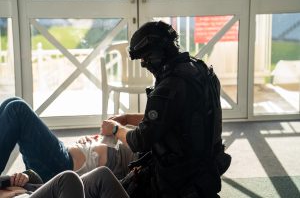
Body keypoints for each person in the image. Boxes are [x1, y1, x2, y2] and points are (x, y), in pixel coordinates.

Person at [100, 20, 231, 198]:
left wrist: (115, 129)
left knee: (118, 186)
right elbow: (173, 118)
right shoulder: (201, 69)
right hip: (206, 168)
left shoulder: (170, 86)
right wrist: (128, 117)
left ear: (156, 54)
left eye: (144, 58)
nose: (144, 64)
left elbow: (140, 140)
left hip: (179, 176)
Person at [0, 97, 137, 182]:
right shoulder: (146, 134)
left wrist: (115, 129)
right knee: (11, 101)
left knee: (17, 109)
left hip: (62, 168)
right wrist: (97, 140)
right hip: (64, 154)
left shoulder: (145, 150)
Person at [0, 167, 129, 198]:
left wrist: (25, 176)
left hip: (30, 192)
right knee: (67, 179)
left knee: (102, 175)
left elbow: (37, 180)